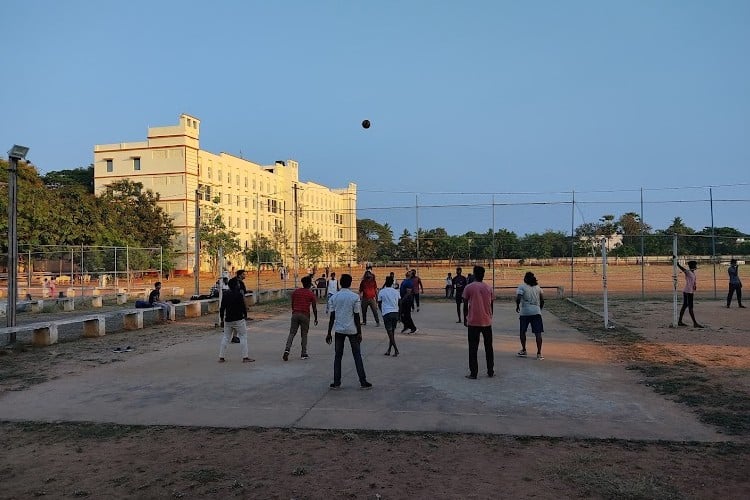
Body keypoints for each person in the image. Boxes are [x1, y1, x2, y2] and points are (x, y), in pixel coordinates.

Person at [326, 273, 372, 389]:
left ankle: (336, 382)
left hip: (339, 330)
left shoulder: (334, 297)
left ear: (340, 283)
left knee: (338, 356)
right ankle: (363, 381)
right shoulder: (354, 297)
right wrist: (359, 332)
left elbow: (332, 316)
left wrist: (328, 332)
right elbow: (357, 316)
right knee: (357, 355)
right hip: (352, 330)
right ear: (350, 283)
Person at [462, 265, 494, 379]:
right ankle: (490, 370)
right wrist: (490, 316)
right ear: (483, 275)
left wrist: (465, 318)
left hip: (473, 322)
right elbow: (491, 305)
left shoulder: (469, 287)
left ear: (474, 274)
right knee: (488, 347)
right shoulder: (488, 288)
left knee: (473, 348)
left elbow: (465, 304)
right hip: (486, 322)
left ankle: (474, 373)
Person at [283, 275, 318, 361]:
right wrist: (316, 318)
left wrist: (294, 311)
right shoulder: (311, 294)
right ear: (309, 284)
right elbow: (314, 307)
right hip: (305, 315)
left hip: (295, 314)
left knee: (292, 333)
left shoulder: (296, 292)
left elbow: (292, 304)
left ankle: (287, 350)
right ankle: (303, 353)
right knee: (304, 334)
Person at [219, 277, 253, 363]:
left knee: (226, 337)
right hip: (239, 319)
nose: (239, 285)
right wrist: (245, 315)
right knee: (243, 337)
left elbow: (222, 308)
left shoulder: (225, 294)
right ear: (236, 285)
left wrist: (222, 319)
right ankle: (245, 357)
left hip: (228, 319)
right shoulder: (239, 294)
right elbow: (243, 307)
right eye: (238, 284)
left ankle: (221, 357)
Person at [516, 271, 545, 360]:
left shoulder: (522, 286)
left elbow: (518, 298)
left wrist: (517, 306)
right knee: (538, 333)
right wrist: (539, 308)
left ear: (525, 279)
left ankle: (524, 350)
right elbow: (542, 300)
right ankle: (539, 353)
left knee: (522, 331)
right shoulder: (538, 288)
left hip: (525, 312)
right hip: (536, 312)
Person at [674, 257, 703, 328]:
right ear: (692, 266)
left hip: (689, 291)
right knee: (690, 307)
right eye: (695, 265)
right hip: (688, 292)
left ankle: (680, 321)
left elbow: (693, 281)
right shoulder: (688, 272)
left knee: (685, 306)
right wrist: (677, 263)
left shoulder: (692, 273)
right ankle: (695, 323)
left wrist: (694, 285)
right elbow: (682, 269)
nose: (696, 267)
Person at [378, 275, 401, 356]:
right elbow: (399, 303)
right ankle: (389, 350)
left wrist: (382, 311)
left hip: (387, 313)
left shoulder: (382, 291)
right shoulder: (396, 292)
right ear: (392, 283)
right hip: (395, 312)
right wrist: (399, 314)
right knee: (392, 333)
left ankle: (396, 349)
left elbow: (379, 303)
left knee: (390, 333)